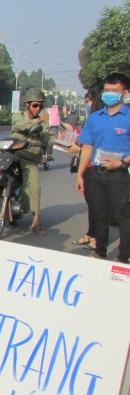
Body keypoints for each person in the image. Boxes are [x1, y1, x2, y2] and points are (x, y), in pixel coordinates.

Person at [75, 72, 130, 264]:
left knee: (123, 215)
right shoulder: (95, 118)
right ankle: (100, 251)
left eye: (114, 91)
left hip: (120, 174)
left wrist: (123, 162)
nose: (109, 94)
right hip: (96, 174)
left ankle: (124, 255)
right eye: (107, 90)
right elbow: (88, 147)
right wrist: (80, 174)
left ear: (125, 93)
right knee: (98, 213)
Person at [67, 85, 104, 250]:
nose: (88, 103)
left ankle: (99, 239)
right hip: (88, 167)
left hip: (97, 166)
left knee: (98, 205)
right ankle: (91, 234)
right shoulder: (94, 118)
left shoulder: (101, 120)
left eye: (89, 100)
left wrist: (79, 149)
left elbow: (97, 146)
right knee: (92, 204)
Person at [10, 88, 50, 235]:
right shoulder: (18, 116)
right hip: (12, 156)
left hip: (29, 158)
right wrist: (37, 121)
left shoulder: (44, 122)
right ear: (27, 105)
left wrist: (60, 141)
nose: (38, 108)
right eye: (35, 105)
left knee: (34, 187)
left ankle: (36, 222)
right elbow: (19, 126)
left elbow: (47, 137)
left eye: (40, 106)